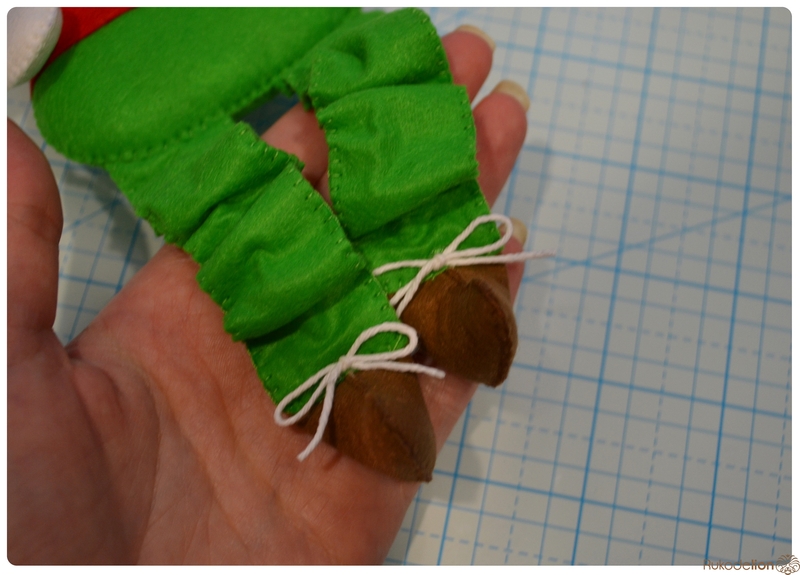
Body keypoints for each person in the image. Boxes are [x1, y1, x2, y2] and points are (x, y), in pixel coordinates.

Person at [8, 27, 530, 564]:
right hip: (99, 63)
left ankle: (416, 278)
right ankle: (348, 351)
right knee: (219, 174)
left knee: (219, 177)